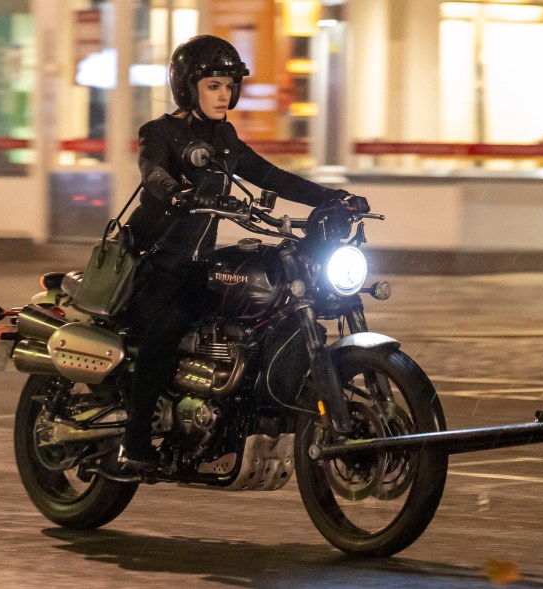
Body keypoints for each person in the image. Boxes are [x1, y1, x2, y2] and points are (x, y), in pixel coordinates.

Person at [122, 35, 368, 470]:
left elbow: (270, 176)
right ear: (189, 88)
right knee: (165, 331)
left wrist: (334, 197)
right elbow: (153, 172)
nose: (223, 94)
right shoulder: (160, 133)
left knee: (256, 311)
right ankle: (135, 442)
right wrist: (176, 193)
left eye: (229, 85)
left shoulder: (225, 138)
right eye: (213, 85)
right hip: (156, 262)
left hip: (198, 263)